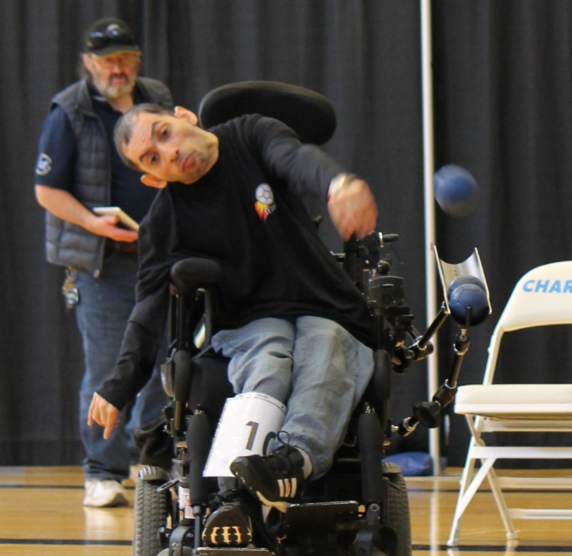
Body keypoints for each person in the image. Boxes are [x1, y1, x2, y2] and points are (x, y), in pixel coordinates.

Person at [86, 102, 379, 510]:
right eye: (153, 158)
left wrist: (337, 184)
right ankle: (235, 482)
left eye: (164, 133)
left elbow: (296, 160)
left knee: (324, 344)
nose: (169, 153)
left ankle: (292, 462)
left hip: (323, 302)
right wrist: (117, 386)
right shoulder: (165, 222)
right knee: (270, 355)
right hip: (247, 319)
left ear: (185, 116)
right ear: (153, 178)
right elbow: (148, 312)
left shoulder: (251, 133)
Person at [35, 18, 173, 508]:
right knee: (107, 366)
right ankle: (102, 470)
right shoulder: (69, 110)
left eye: (126, 58)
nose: (119, 68)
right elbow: (47, 190)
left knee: (165, 361)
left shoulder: (154, 97)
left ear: (137, 59)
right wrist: (96, 226)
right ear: (90, 62)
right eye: (109, 60)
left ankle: (155, 462)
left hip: (156, 255)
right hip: (102, 261)